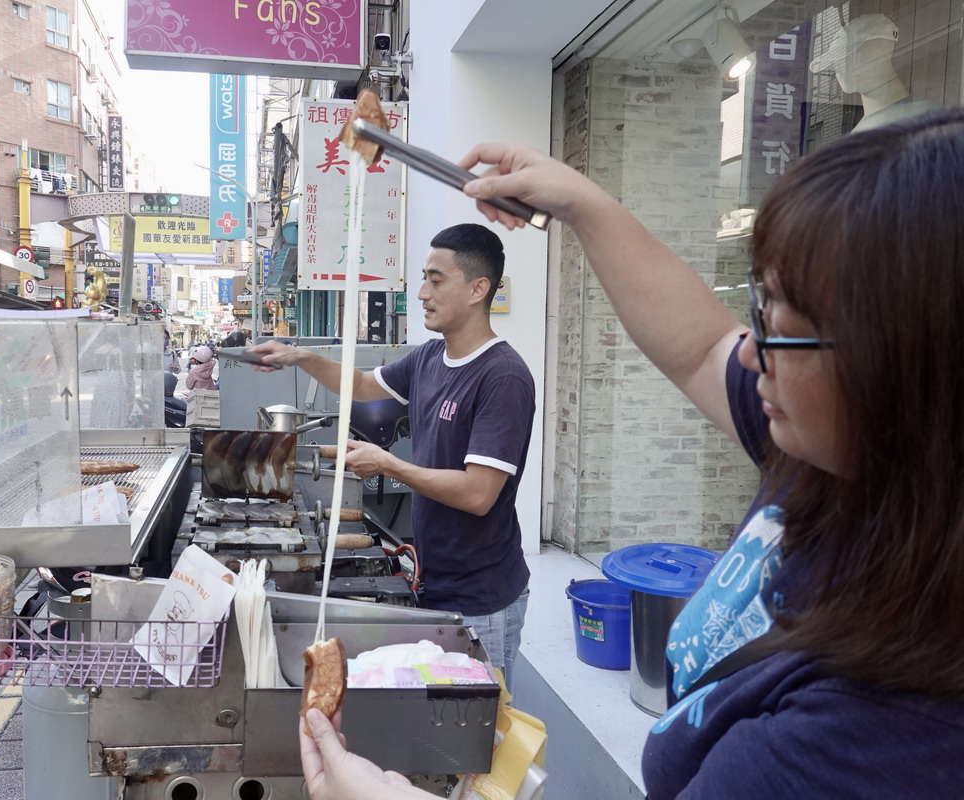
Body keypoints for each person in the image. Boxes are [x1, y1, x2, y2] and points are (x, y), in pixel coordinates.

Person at [300, 111, 964, 798]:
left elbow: (478, 491)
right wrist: (580, 201)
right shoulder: (823, 450)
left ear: (907, 370)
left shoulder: (881, 734)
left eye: (786, 331)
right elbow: (702, 343)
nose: (748, 352)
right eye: (760, 314)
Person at [254, 224, 535, 676]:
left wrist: (388, 464)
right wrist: (299, 357)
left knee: (483, 730)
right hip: (435, 576)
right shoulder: (428, 358)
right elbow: (364, 386)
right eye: (424, 277)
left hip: (481, 594)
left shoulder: (502, 377)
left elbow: (479, 494)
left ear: (478, 289)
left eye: (436, 279)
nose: (422, 291)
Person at [810, 14, 939, 132]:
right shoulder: (858, 133)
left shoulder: (926, 118)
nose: (838, 68)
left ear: (879, 52)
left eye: (847, 57)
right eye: (835, 62)